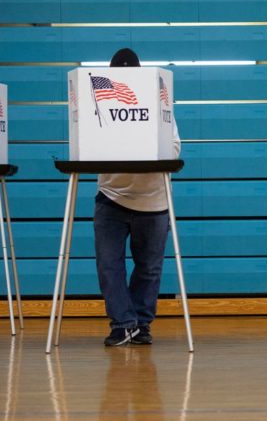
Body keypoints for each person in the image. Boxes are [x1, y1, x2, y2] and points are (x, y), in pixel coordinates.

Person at [96, 48, 181, 346]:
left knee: (149, 268)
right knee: (109, 265)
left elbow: (174, 149)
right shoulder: (101, 107)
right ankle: (123, 323)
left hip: (154, 199)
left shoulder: (158, 106)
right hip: (111, 196)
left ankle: (141, 324)